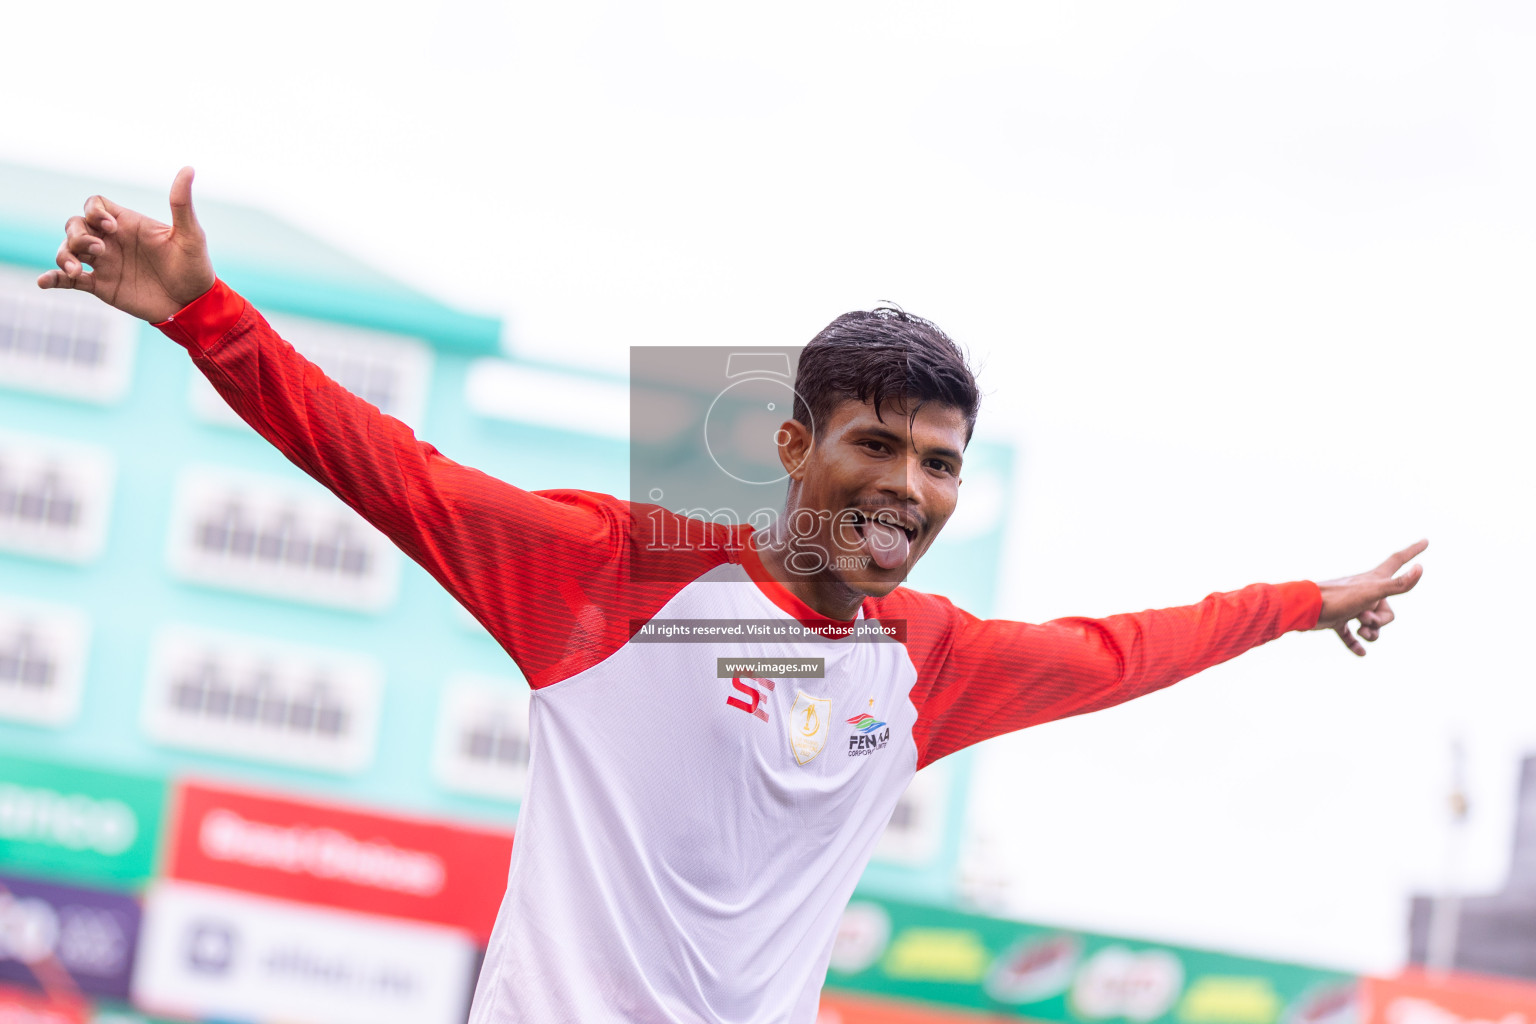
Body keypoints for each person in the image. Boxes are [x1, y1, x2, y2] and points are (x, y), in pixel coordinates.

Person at [39, 169, 1426, 1024]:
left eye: (940, 464)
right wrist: (205, 319)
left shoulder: (923, 663)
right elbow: (394, 472)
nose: (909, 488)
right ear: (794, 447)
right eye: (874, 444)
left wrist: (1305, 600)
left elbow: (1125, 649)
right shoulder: (616, 577)